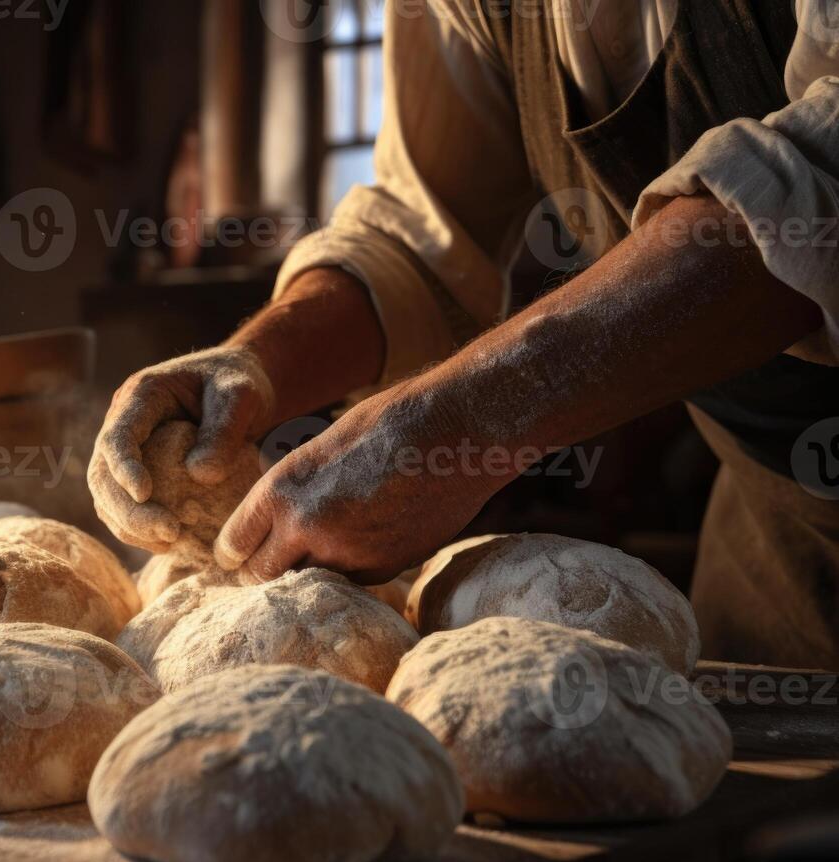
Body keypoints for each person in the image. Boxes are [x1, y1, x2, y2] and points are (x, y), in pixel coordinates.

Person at [93, 1, 839, 668]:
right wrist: (255, 360)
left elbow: (818, 183)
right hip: (777, 530)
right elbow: (422, 235)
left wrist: (469, 416)